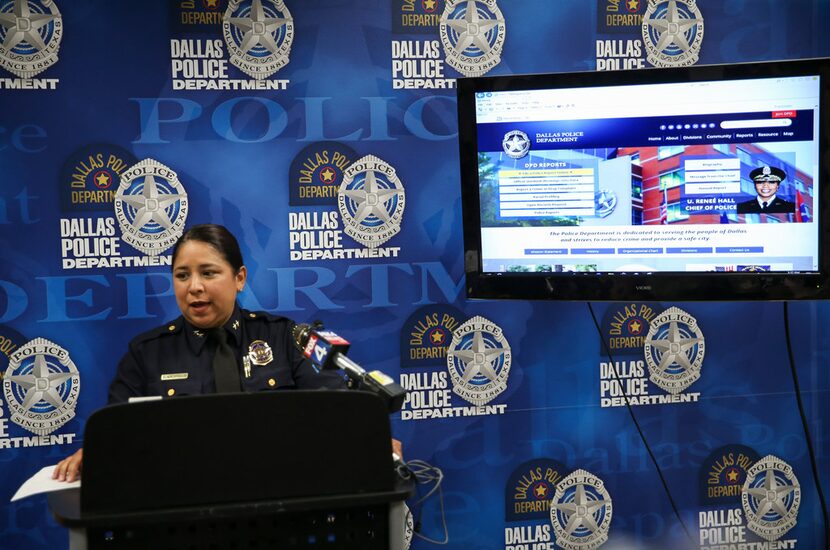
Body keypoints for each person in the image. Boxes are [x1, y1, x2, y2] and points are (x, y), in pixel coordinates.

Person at [54, 224, 401, 481]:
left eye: (208, 273)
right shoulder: (147, 354)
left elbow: (333, 411)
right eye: (181, 275)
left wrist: (367, 436)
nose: (195, 287)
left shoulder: (284, 338)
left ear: (239, 278)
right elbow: (117, 431)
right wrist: (96, 452)